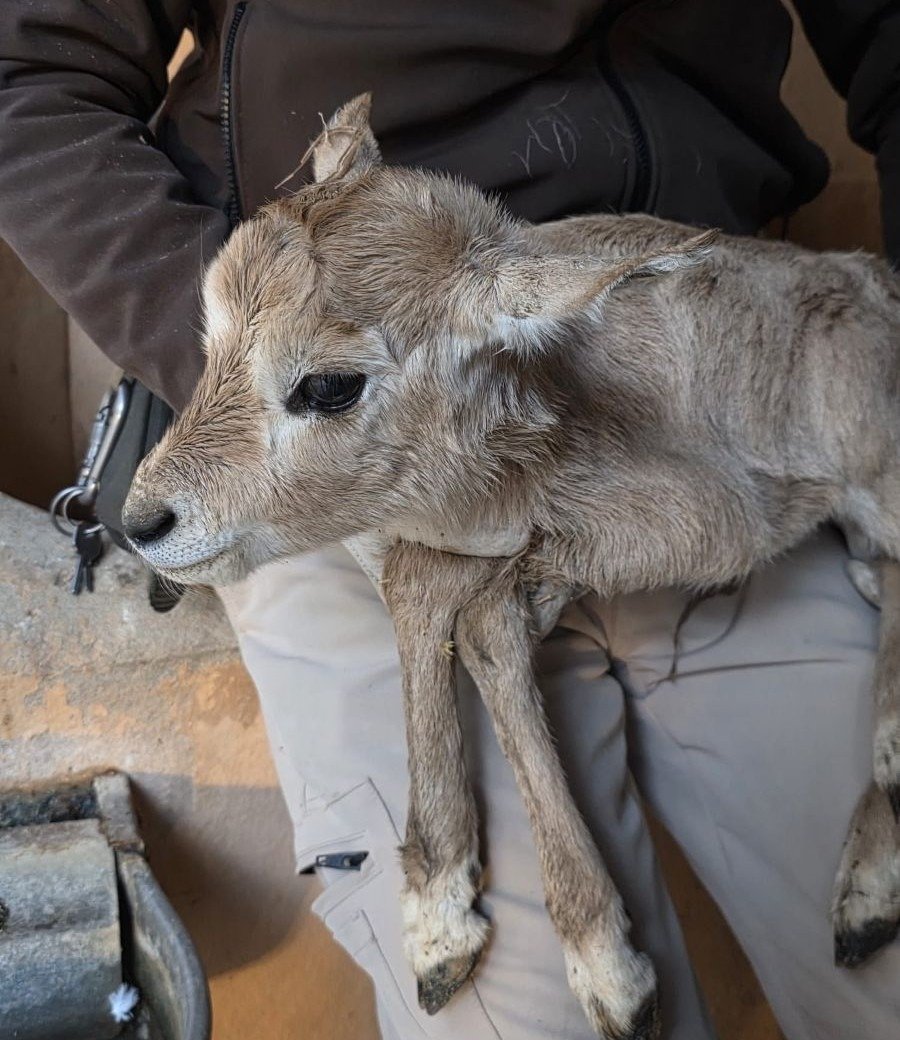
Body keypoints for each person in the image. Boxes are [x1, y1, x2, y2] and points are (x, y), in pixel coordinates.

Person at [1, 3, 899, 1037]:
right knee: (532, 1013)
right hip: (344, 455)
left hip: (702, 395)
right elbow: (28, 77)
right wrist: (273, 382)